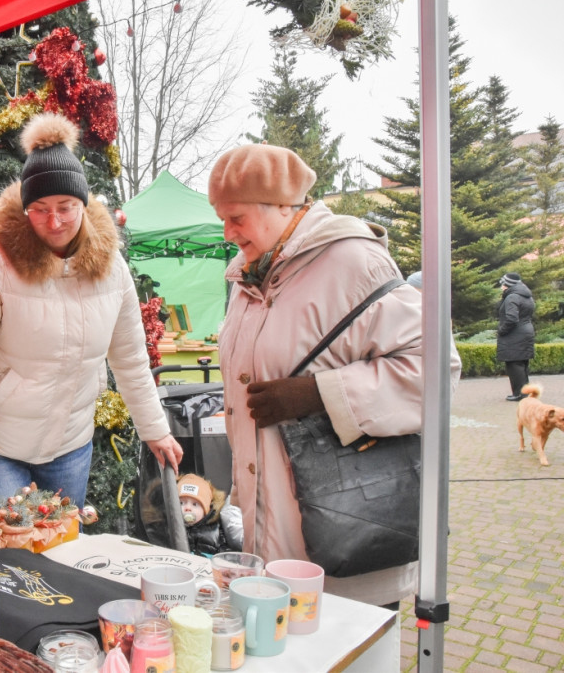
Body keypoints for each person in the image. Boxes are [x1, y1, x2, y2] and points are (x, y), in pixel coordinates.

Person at [209, 144, 460, 607]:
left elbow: (436, 369)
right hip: (271, 530)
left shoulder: (353, 262)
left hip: (349, 526)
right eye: (221, 218)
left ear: (281, 207)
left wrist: (318, 394)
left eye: (236, 217)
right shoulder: (246, 278)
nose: (227, 233)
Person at [0, 112, 184, 506]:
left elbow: (131, 358)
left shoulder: (112, 267)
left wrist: (155, 429)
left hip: (70, 445)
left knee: (62, 553)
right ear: (25, 208)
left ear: (83, 204)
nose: (54, 221)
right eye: (40, 208)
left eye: (66, 206)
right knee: (11, 557)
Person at [176, 473, 241, 556]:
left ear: (206, 510)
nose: (188, 508)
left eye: (195, 504)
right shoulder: (168, 528)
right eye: (181, 503)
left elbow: (225, 554)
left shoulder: (215, 531)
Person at [497, 272, 536, 401]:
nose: (501, 286)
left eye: (502, 284)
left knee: (514, 365)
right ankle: (526, 392)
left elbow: (512, 319)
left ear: (507, 284)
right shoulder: (527, 296)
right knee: (522, 364)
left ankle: (519, 394)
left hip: (515, 335)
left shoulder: (512, 297)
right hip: (526, 331)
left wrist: (501, 331)